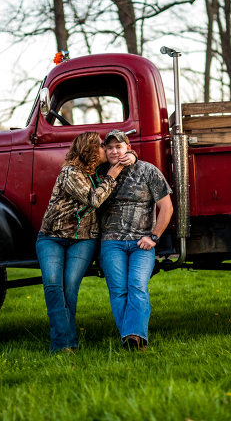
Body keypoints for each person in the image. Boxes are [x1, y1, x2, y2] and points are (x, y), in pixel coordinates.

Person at [36, 131, 136, 353]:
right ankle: (64, 343)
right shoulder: (70, 173)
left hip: (84, 240)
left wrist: (132, 156)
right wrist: (114, 173)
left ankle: (65, 343)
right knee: (53, 284)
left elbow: (123, 153)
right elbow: (94, 199)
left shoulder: (99, 172)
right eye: (101, 146)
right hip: (52, 237)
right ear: (90, 151)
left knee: (70, 287)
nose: (105, 149)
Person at [99, 129, 173, 351]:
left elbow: (166, 207)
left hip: (142, 243)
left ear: (128, 148)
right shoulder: (100, 173)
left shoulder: (147, 170)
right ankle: (133, 337)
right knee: (118, 289)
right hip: (111, 242)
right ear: (105, 150)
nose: (114, 151)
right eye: (110, 147)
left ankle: (132, 336)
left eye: (119, 146)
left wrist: (154, 236)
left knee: (137, 286)